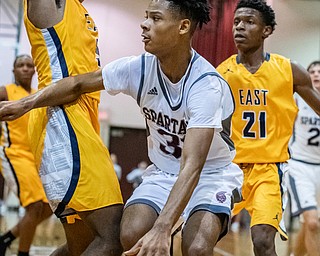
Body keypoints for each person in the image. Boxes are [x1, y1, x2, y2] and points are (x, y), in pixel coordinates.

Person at [0, 0, 244, 255]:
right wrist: (25, 104)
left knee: (196, 248)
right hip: (162, 172)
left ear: (183, 27)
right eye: (146, 16)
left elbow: (192, 166)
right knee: (125, 234)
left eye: (156, 18)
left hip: (209, 175)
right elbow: (76, 84)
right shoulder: (138, 67)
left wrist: (162, 227)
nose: (144, 24)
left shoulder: (205, 85)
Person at [216, 1, 320, 255]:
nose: (239, 27)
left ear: (267, 30)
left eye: (249, 22)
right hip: (230, 168)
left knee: (262, 241)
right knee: (196, 235)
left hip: (269, 171)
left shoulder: (289, 70)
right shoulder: (223, 73)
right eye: (237, 21)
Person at [20, 0, 123, 255]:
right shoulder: (54, 4)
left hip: (78, 118)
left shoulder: (79, 8)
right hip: (61, 115)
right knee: (112, 234)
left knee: (83, 245)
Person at [0, 55, 53, 256]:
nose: (25, 68)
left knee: (48, 207)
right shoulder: (6, 91)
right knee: (34, 206)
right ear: (13, 70)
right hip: (13, 154)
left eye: (29, 65)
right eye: (20, 65)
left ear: (34, 70)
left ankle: (6, 239)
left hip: (34, 158)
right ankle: (23, 253)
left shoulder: (36, 95)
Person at [287, 61, 320, 256]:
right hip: (301, 166)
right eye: (312, 71)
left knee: (310, 225)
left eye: (319, 71)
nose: (316, 74)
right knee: (313, 222)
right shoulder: (298, 101)